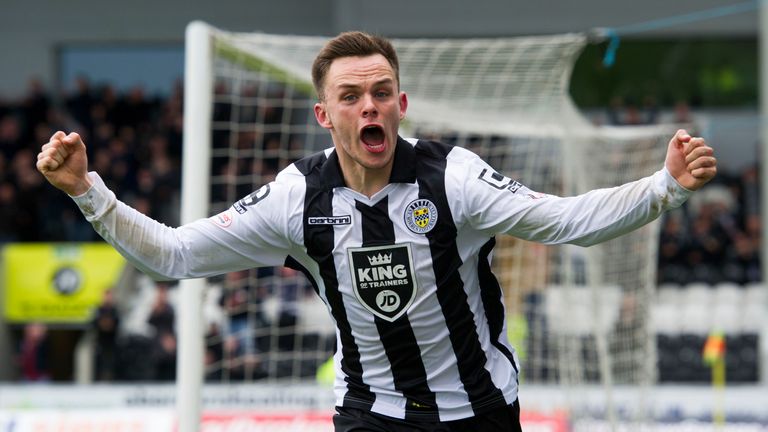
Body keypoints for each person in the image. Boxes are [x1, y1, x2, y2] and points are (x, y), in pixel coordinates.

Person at [36, 31, 716, 432]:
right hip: (371, 416)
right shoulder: (296, 196)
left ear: (401, 104)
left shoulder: (454, 179)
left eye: (382, 92)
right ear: (324, 115)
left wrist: (664, 188)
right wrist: (87, 192)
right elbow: (178, 254)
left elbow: (569, 222)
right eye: (352, 96)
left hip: (478, 414)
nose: (371, 106)